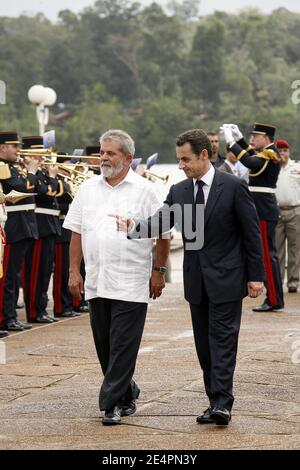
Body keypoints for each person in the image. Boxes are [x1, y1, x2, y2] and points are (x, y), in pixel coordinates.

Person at [112, 128, 264, 426]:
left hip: (228, 280)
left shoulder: (232, 187)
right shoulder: (180, 191)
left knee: (223, 341)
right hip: (196, 282)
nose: (181, 165)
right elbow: (163, 221)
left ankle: (222, 403)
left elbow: (252, 235)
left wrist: (255, 276)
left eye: (185, 159)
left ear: (204, 155)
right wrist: (133, 226)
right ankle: (214, 400)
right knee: (204, 346)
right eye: (178, 160)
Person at [64, 129, 170, 425]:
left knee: (123, 343)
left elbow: (163, 234)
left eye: (110, 153)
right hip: (97, 279)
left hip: (131, 280)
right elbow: (76, 231)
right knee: (105, 344)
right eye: (102, 152)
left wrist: (158, 272)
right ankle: (127, 390)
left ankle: (110, 404)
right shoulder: (87, 188)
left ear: (127, 157)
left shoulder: (146, 190)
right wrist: (74, 271)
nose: (104, 158)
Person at [222, 123, 284, 312]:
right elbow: (250, 154)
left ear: (265, 138)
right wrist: (239, 139)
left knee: (267, 256)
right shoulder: (266, 152)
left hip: (263, 209)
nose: (252, 140)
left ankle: (273, 299)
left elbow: (249, 161)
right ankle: (274, 298)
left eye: (255, 136)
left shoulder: (270, 153)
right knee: (267, 255)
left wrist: (231, 142)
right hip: (263, 208)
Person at [275, 139, 300, 293]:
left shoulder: (296, 167)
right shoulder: (272, 167)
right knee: (277, 249)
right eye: (280, 151)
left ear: (289, 152)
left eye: (285, 151)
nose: (282, 153)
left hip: (294, 211)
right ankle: (278, 280)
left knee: (295, 248)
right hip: (276, 211)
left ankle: (293, 281)